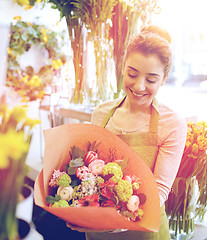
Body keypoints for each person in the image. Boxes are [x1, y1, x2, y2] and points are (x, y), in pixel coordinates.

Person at [69, 25, 187, 240]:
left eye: (151, 79)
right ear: (123, 67)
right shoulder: (101, 113)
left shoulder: (172, 124)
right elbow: (89, 171)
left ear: (164, 78)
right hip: (98, 228)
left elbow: (159, 190)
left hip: (145, 227)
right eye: (132, 74)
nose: (139, 86)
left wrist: (119, 223)